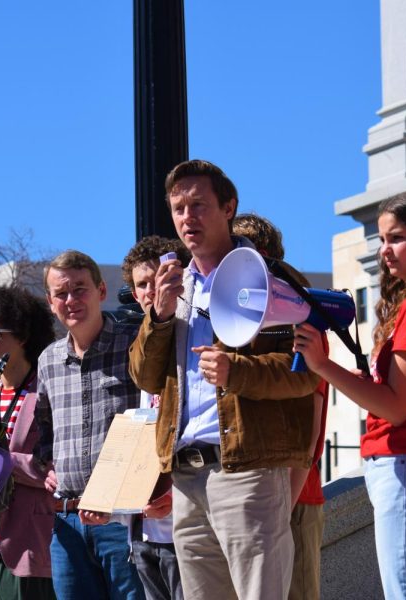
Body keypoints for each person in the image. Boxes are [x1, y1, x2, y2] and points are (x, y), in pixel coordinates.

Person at [129, 160, 319, 600]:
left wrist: (239, 371)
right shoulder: (174, 285)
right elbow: (143, 375)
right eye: (178, 208)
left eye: (199, 205)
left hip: (246, 469)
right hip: (185, 475)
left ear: (228, 207)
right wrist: (157, 317)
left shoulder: (272, 280)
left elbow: (305, 372)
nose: (187, 218)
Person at [295, 189, 406, 600]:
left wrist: (323, 365)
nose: (385, 251)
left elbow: (394, 406)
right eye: (381, 240)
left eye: (397, 238)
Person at [34, 250, 144, 600]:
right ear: (50, 302)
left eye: (79, 289)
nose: (71, 300)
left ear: (100, 291)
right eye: (61, 293)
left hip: (122, 519)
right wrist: (46, 462)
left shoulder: (135, 344)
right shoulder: (48, 360)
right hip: (66, 520)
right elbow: (43, 429)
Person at [231, 212, 328, 600]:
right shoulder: (234, 321)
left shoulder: (297, 319)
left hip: (293, 500)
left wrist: (283, 507)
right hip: (250, 502)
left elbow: (313, 419)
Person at [0, 285, 57, 600]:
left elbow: (55, 468)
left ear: (22, 335)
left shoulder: (46, 392)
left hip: (30, 539)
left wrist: (0, 458)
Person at [120, 235, 188, 600]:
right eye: (142, 284)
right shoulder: (137, 349)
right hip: (143, 532)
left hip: (188, 527)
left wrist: (179, 493)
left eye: (159, 279)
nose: (151, 291)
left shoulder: (194, 334)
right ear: (133, 294)